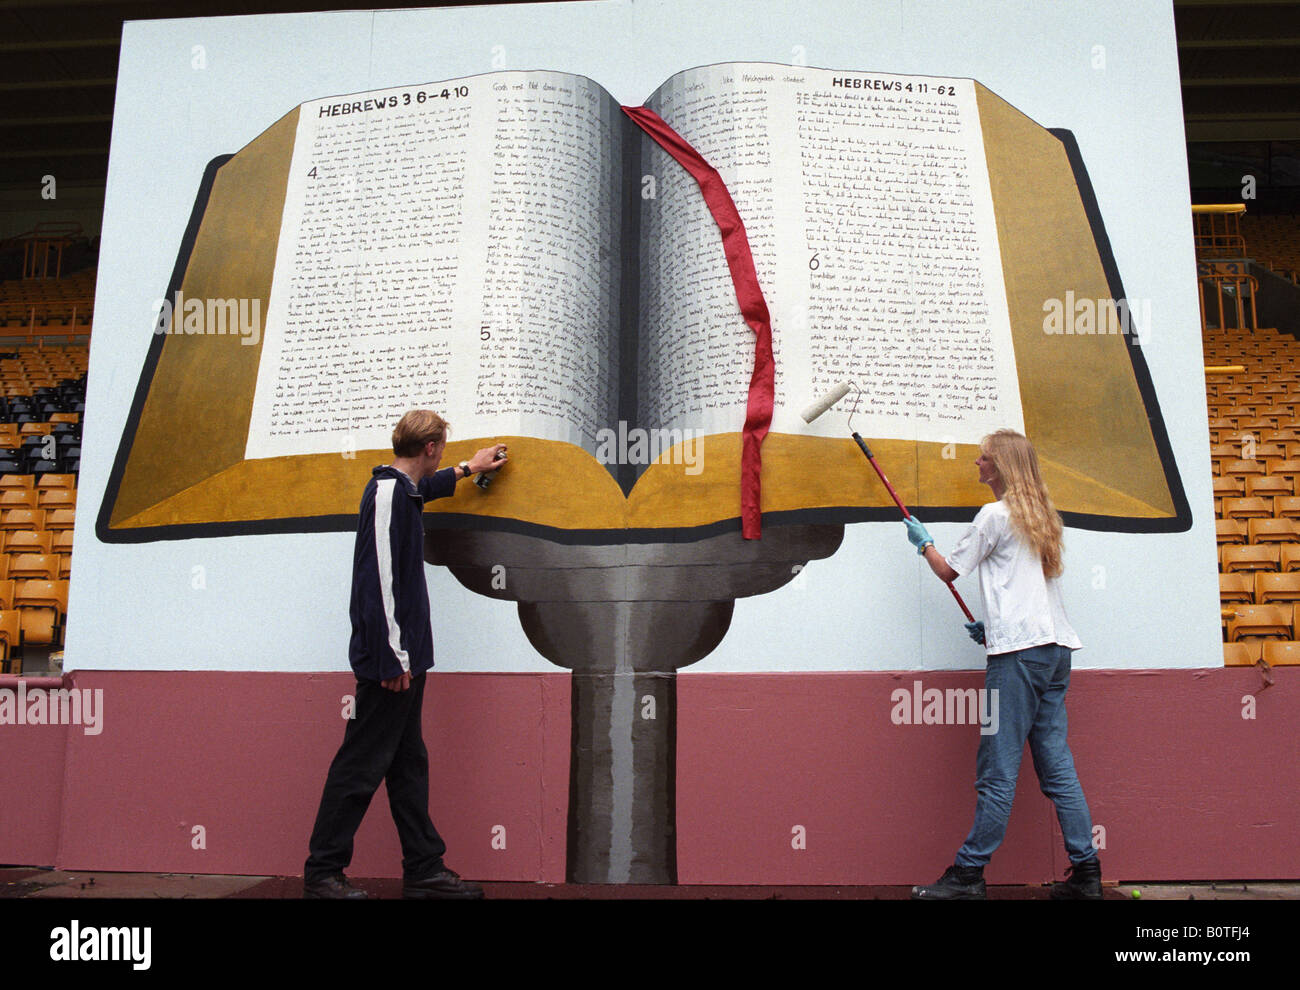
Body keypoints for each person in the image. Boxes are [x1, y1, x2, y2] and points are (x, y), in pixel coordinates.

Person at [303, 410, 507, 899]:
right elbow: (380, 579)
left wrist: (467, 468)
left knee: (406, 764)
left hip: (407, 657)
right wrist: (394, 659)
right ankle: (322, 874)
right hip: (391, 661)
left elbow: (425, 488)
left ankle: (424, 867)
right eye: (443, 451)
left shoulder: (402, 488)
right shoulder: (388, 493)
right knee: (359, 765)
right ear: (431, 447)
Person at [903, 429, 1101, 900]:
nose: (977, 463)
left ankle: (968, 875)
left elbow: (950, 570)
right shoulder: (1040, 516)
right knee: (1057, 768)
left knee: (997, 769)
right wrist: (992, 629)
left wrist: (923, 542)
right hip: (1053, 652)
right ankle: (1087, 873)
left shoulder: (994, 514)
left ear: (1002, 466)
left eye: (984, 458)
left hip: (1018, 657)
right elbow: (1025, 587)